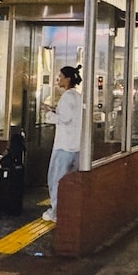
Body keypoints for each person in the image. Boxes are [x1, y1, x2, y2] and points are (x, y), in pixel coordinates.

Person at [41, 65, 83, 223]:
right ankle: (68, 210)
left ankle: (55, 213)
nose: (58, 79)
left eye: (61, 76)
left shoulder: (66, 97)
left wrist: (48, 113)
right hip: (76, 146)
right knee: (71, 182)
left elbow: (64, 119)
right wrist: (53, 109)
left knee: (56, 180)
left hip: (63, 146)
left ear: (68, 79)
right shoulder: (77, 96)